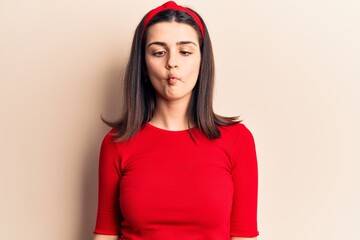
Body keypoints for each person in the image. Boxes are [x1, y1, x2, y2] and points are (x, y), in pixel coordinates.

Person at [92, 1, 259, 240]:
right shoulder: (117, 142)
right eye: (159, 52)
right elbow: (105, 234)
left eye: (185, 52)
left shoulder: (238, 140)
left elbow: (244, 236)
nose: (172, 63)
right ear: (143, 65)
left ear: (203, 61)